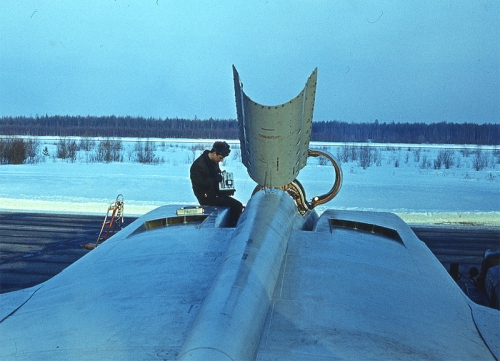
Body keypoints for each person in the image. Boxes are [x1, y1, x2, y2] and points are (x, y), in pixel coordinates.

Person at [190, 141, 243, 227]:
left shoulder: (213, 162)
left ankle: (232, 225)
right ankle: (231, 228)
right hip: (206, 197)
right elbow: (200, 183)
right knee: (236, 206)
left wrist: (225, 190)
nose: (221, 160)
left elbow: (216, 178)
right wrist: (214, 180)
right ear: (214, 153)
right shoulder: (198, 166)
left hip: (214, 193)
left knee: (237, 205)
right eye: (220, 157)